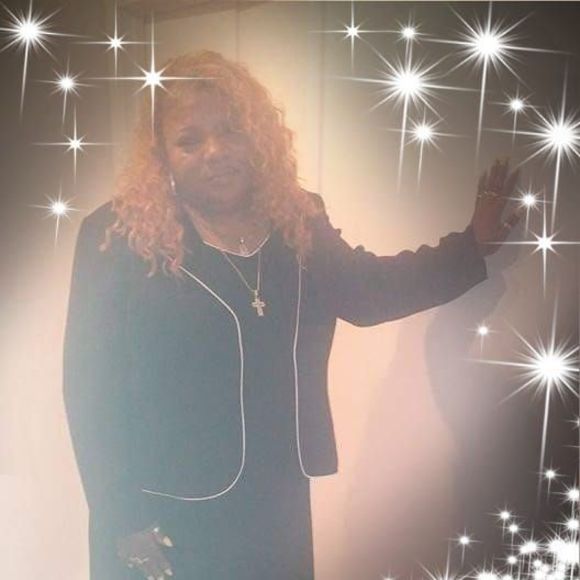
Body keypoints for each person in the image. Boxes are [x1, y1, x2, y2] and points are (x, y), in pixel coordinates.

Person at [62, 50, 522, 580]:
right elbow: (89, 388)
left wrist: (469, 247)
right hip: (168, 512)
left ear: (257, 137)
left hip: (275, 498)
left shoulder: (296, 220)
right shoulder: (117, 237)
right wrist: (122, 518)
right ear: (162, 154)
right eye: (189, 140)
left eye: (231, 131)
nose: (215, 152)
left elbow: (367, 291)